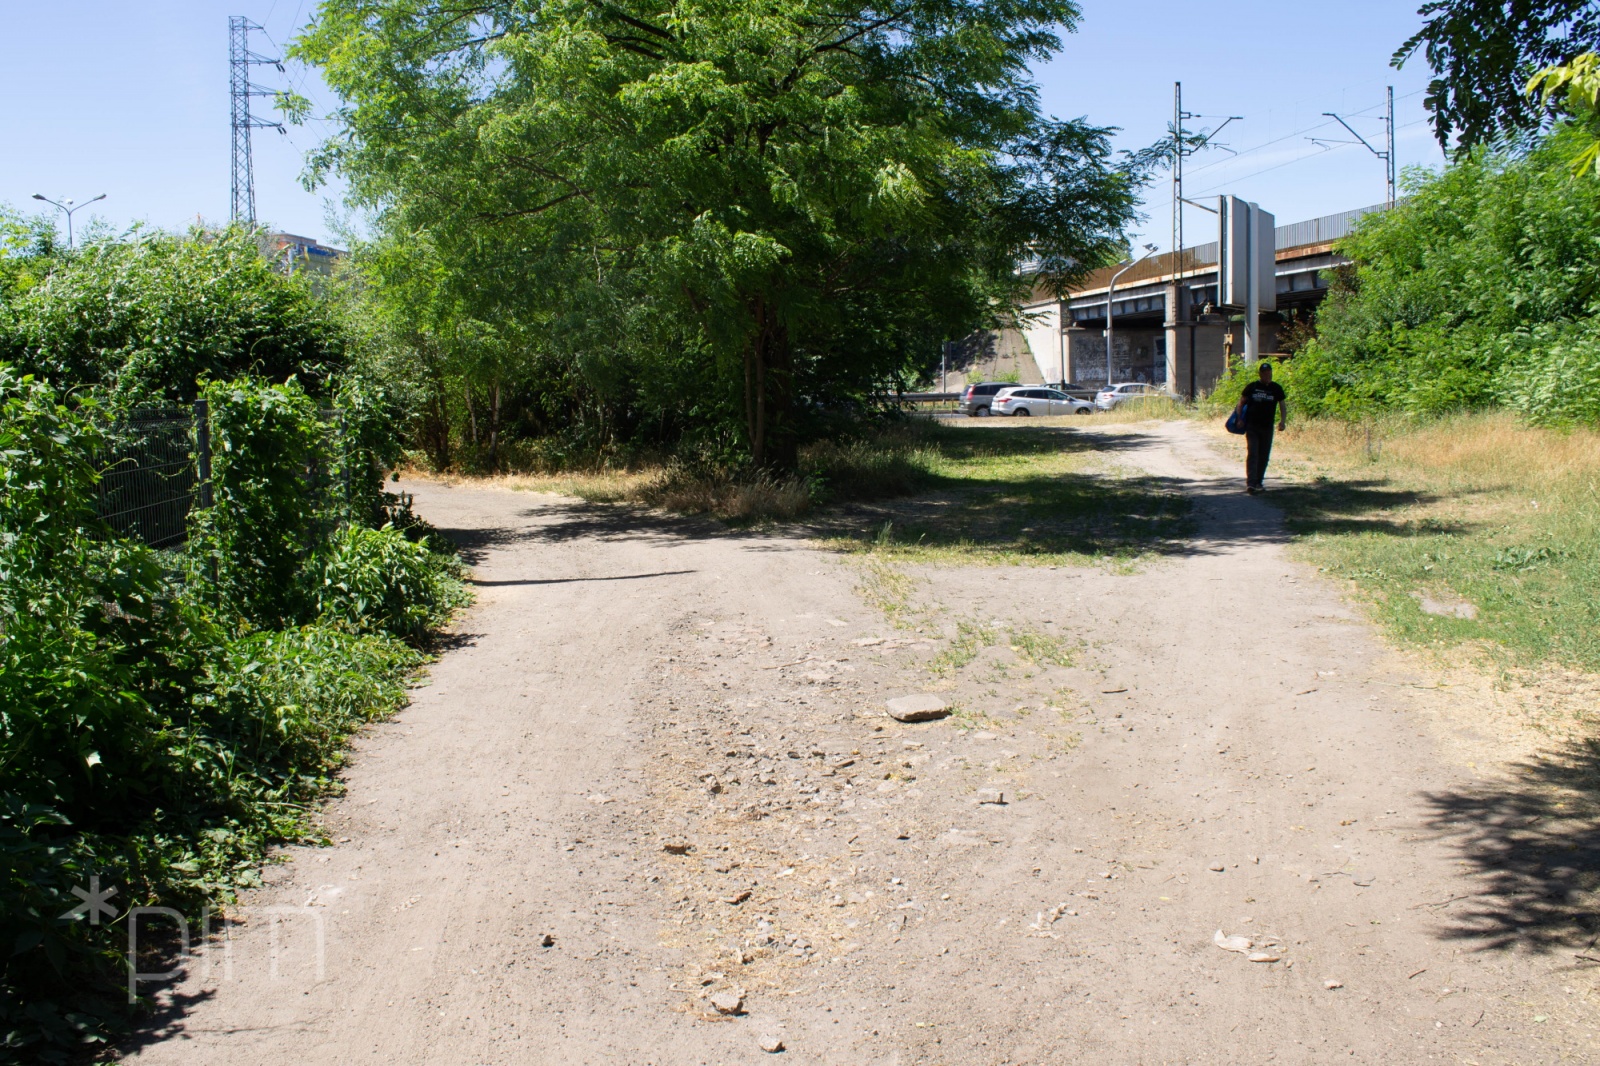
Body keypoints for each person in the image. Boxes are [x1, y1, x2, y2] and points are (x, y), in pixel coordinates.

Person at [1236, 361, 1287, 494]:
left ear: (1271, 373)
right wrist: (1240, 418)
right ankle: (1251, 483)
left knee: (1264, 455)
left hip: (1267, 427)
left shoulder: (1276, 388)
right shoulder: (1252, 387)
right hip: (1252, 426)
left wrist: (1282, 421)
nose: (1267, 375)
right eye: (1264, 373)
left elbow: (1282, 404)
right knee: (1253, 453)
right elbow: (1241, 403)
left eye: (1269, 372)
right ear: (1260, 374)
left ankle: (1259, 482)